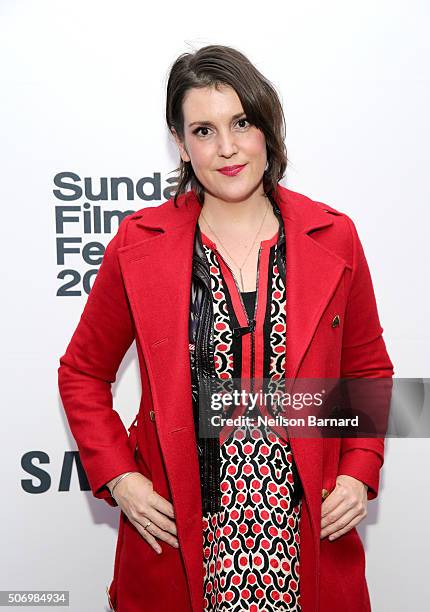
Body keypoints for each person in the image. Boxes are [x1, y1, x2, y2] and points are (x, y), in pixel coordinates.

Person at [58, 44, 394, 612]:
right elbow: (82, 374)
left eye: (241, 122)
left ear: (267, 128)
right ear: (181, 144)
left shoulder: (333, 237)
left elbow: (368, 370)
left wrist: (359, 470)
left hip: (306, 530)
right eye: (203, 130)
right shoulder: (138, 245)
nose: (228, 148)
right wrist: (121, 477)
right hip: (184, 535)